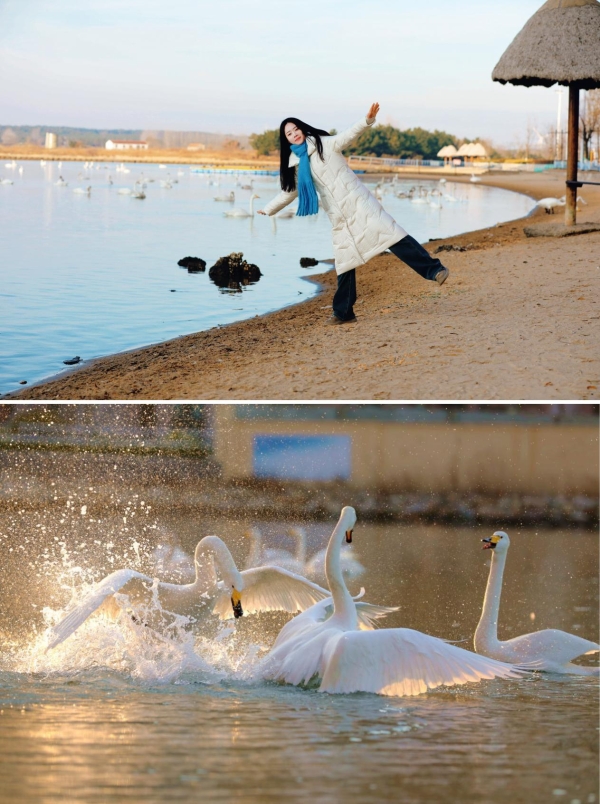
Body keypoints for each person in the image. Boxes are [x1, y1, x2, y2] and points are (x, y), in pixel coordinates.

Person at [257, 102, 449, 324]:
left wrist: (367, 120)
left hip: (360, 204)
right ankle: (343, 312)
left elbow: (349, 134)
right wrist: (269, 209)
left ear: (302, 128)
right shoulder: (296, 164)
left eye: (295, 129)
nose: (293, 135)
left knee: (393, 236)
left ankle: (435, 270)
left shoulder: (325, 144)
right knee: (344, 261)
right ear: (287, 140)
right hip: (338, 216)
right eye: (288, 134)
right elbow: (289, 193)